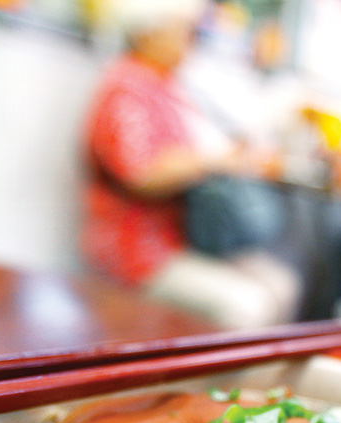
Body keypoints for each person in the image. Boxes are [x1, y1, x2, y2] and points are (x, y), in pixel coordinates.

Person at [81, 0, 299, 329]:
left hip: (182, 239)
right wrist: (215, 161)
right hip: (136, 251)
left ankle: (252, 380)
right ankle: (217, 382)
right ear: (149, 34)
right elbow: (140, 173)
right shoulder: (125, 87)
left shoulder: (167, 85)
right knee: (246, 306)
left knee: (282, 284)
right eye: (182, 30)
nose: (190, 39)